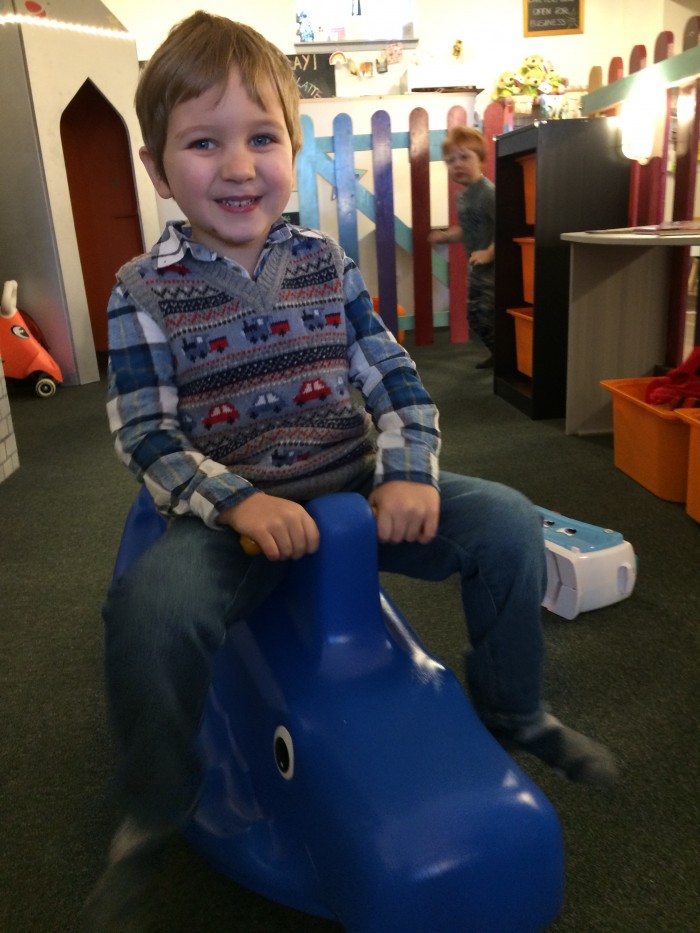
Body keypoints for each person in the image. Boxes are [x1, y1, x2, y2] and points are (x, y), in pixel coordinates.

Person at [82, 12, 618, 929]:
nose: (239, 166)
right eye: (204, 143)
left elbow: (396, 377)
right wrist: (236, 502)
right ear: (157, 167)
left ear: (293, 148)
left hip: (352, 492)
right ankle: (155, 797)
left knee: (505, 521)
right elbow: (147, 436)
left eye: (262, 138)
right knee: (152, 607)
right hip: (231, 519)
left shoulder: (326, 264)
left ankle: (513, 709)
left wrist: (407, 470)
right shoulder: (141, 290)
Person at [429, 126, 495, 369]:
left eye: (464, 157)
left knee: (485, 314)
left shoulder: (488, 193)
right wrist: (446, 235)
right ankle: (499, 353)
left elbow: (506, 227)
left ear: (482, 161)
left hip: (493, 268)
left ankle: (507, 356)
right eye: (450, 161)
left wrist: (489, 252)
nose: (457, 164)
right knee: (477, 317)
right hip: (477, 267)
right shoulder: (463, 197)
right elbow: (467, 228)